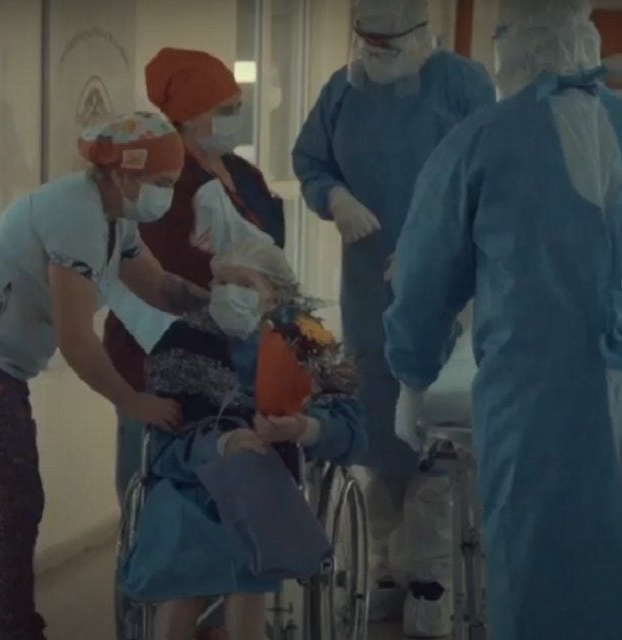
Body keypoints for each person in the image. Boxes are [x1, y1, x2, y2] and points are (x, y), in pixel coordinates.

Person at [0, 112, 212, 640]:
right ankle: (15, 632)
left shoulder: (116, 216)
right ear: (123, 173)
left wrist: (221, 307)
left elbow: (158, 286)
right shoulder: (74, 213)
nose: (165, 196)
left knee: (18, 501)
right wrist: (133, 400)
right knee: (15, 503)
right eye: (160, 183)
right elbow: (76, 339)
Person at [383, 1, 622, 638]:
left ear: (510, 47)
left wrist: (412, 378)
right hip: (558, 396)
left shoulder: (484, 141)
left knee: (541, 570)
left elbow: (424, 275)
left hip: (538, 405)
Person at [291, 0, 495, 634]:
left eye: (387, 43)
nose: (374, 53)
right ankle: (384, 567)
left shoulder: (462, 84)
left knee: (431, 431)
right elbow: (309, 160)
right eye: (367, 42)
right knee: (378, 433)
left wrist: (434, 242)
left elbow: (489, 178)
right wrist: (335, 197)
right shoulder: (342, 89)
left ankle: (430, 578)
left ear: (421, 33)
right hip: (366, 292)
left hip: (446, 290)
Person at [104, 47, 287, 639]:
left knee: (234, 494)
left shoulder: (243, 175)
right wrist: (223, 291)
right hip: (161, 359)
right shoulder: (165, 180)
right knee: (167, 500)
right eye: (224, 107)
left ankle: (223, 620)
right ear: (185, 115)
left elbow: (272, 254)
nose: (237, 115)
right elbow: (154, 272)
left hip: (238, 359)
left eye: (237, 104)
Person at [119, 237, 366, 640]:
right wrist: (220, 444)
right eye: (221, 282)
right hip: (190, 482)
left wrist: (303, 427)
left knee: (248, 542)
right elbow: (162, 446)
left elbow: (351, 429)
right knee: (189, 552)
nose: (229, 292)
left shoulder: (306, 340)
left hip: (268, 482)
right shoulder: (182, 342)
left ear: (275, 296)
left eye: (246, 284)